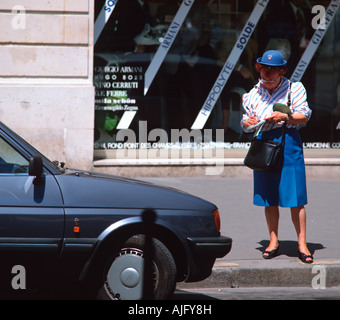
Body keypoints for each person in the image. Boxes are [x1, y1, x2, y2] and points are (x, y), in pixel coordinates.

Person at [241, 50, 313, 263]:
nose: (267, 76)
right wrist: (248, 123)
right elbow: (246, 123)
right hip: (263, 143)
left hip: (288, 142)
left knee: (296, 198)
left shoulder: (295, 88)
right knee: (269, 196)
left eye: (272, 72)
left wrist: (286, 116)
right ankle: (273, 241)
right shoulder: (251, 94)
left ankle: (302, 244)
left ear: (282, 71)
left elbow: (304, 116)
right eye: (264, 71)